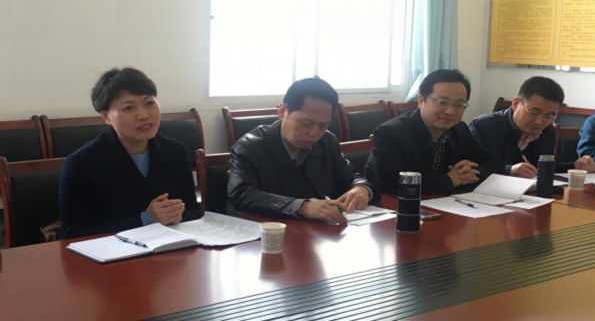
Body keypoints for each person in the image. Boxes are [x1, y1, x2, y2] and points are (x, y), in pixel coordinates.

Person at [60, 68, 202, 239]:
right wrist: (145, 219)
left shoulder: (175, 150)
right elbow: (74, 233)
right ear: (106, 116)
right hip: (112, 253)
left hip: (172, 247)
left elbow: (192, 210)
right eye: (128, 108)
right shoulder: (81, 162)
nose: (143, 115)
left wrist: (178, 215)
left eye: (149, 103)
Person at [227, 77, 379, 224]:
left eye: (323, 125)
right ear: (282, 111)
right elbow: (242, 194)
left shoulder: (327, 141)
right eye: (306, 123)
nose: (314, 133)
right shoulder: (249, 147)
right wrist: (302, 207)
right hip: (271, 233)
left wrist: (361, 187)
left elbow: (350, 177)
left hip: (321, 232)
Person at [364, 69, 504, 194]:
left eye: (459, 105)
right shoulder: (390, 132)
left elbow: (494, 163)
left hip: (446, 205)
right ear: (421, 101)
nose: (450, 111)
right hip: (396, 207)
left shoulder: (459, 129)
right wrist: (449, 180)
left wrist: (470, 174)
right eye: (442, 102)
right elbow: (391, 182)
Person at [469, 76, 595, 177]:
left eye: (549, 116)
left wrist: (575, 166)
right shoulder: (483, 126)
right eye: (534, 113)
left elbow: (544, 167)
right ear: (515, 103)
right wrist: (508, 170)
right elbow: (471, 167)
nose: (539, 122)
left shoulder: (548, 131)